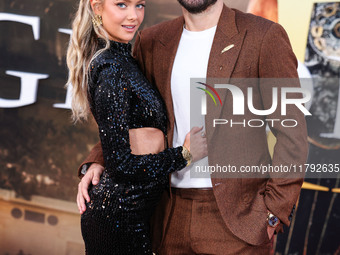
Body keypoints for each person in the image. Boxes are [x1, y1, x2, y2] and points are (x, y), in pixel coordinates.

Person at [77, 0, 309, 254]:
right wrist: (99, 160)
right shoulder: (152, 40)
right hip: (166, 215)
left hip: (238, 220)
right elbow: (130, 115)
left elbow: (292, 134)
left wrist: (274, 212)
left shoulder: (264, 36)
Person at [66, 0, 207, 254]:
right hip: (118, 216)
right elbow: (121, 166)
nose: (133, 16)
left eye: (139, 5)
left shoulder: (123, 59)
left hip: (134, 214)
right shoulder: (111, 69)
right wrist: (184, 155)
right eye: (122, 5)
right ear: (97, 8)